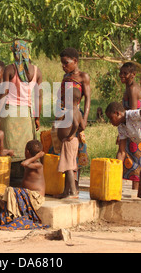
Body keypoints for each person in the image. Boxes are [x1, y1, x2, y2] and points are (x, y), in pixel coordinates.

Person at [0, 40, 42, 186]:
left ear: (15, 53)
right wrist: (37, 117)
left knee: (10, 146)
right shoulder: (37, 71)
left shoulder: (10, 69)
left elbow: (3, 93)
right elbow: (38, 97)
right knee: (26, 147)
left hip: (10, 113)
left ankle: (9, 180)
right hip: (26, 115)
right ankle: (25, 179)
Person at [50, 47, 91, 186]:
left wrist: (84, 119)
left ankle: (74, 185)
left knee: (74, 148)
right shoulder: (65, 77)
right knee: (60, 148)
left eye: (66, 63)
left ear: (75, 61)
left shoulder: (83, 77)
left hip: (74, 114)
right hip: (61, 114)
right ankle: (64, 185)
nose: (63, 66)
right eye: (62, 63)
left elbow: (88, 100)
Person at [0, 140, 48, 230]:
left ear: (27, 151)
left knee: (10, 190)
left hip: (36, 198)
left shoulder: (38, 165)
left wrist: (36, 157)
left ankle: (14, 217)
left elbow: (24, 164)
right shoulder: (31, 163)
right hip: (27, 196)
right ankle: (10, 216)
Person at [119, 62, 141, 190]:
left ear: (133, 75)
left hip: (136, 130)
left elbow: (132, 114)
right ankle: (135, 191)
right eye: (120, 73)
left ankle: (136, 192)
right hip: (132, 129)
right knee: (133, 163)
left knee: (137, 163)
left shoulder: (132, 89)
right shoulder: (128, 88)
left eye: (125, 73)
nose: (122, 76)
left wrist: (123, 133)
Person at [55, 88, 86, 199]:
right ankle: (66, 191)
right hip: (74, 142)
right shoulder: (77, 111)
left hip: (69, 141)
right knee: (71, 165)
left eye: (64, 99)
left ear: (68, 99)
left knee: (68, 167)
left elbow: (76, 124)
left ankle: (72, 192)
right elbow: (82, 126)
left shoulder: (70, 111)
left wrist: (71, 134)